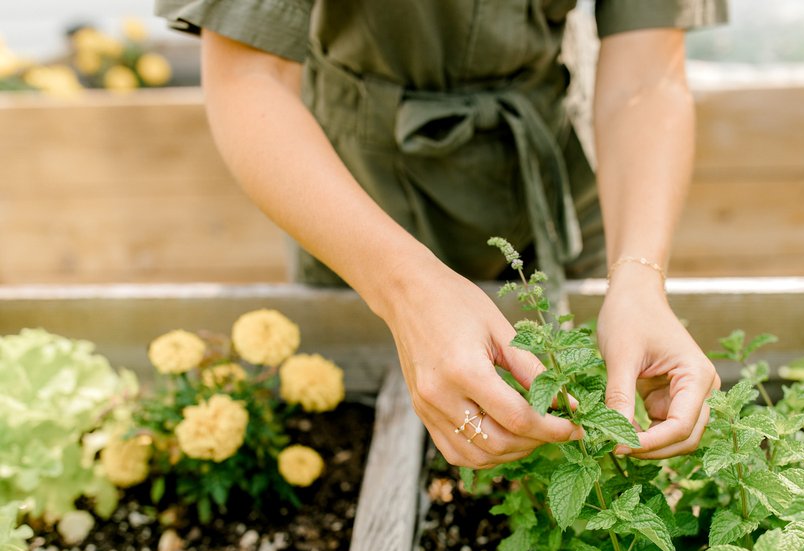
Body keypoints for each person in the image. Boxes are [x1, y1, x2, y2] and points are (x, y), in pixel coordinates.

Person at [155, 0, 726, 469]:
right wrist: (404, 291)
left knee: (585, 404)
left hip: (548, 182)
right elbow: (248, 72)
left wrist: (639, 279)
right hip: (358, 197)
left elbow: (647, 74)